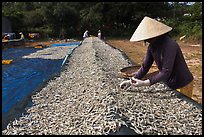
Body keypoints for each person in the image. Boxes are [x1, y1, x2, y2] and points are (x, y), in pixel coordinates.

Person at [119, 16, 194, 98]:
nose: (146, 40)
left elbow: (166, 71)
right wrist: (131, 81)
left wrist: (145, 83)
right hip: (170, 83)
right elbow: (145, 66)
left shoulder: (169, 45)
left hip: (183, 83)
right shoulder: (152, 46)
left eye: (147, 38)